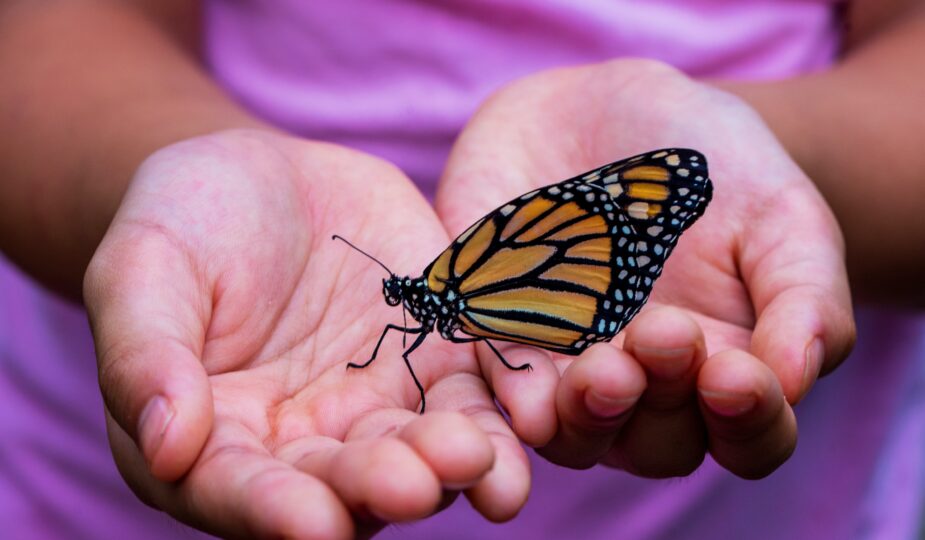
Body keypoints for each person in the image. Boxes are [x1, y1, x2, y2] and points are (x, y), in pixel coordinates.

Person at [0, 0, 921, 538]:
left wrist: (788, 158)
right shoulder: (445, 294)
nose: (403, 300)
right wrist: (169, 176)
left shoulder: (459, 281)